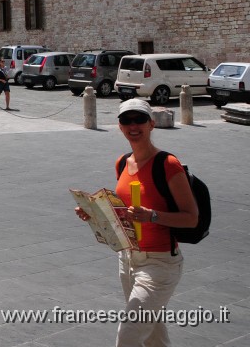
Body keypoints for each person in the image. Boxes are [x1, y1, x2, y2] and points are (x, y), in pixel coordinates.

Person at [75, 98, 198, 346]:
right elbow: (121, 212)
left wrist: (153, 215)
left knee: (129, 334)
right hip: (128, 259)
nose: (133, 125)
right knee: (153, 334)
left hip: (160, 264)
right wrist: (94, 214)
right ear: (119, 126)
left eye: (139, 119)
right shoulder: (122, 163)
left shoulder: (168, 165)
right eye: (126, 120)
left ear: (151, 124)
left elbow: (191, 218)